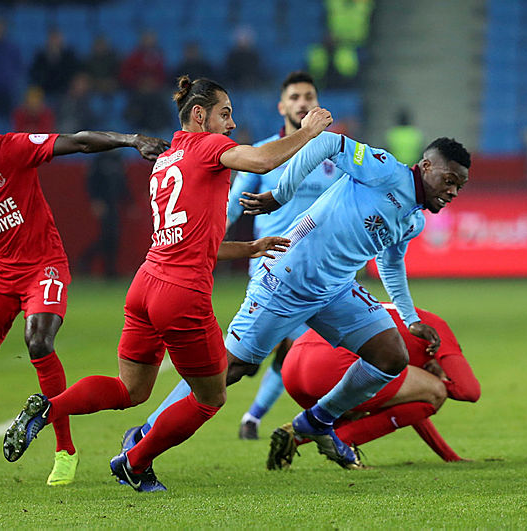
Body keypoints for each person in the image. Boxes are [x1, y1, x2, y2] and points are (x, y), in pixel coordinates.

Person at [1, 76, 333, 492]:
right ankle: (135, 462)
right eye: (225, 114)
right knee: (211, 397)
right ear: (200, 115)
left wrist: (250, 247)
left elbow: (191, 241)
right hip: (181, 294)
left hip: (145, 284)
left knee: (130, 389)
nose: (231, 124)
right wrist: (307, 132)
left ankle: (50, 408)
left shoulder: (167, 159)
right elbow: (263, 161)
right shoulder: (208, 146)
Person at [130, 132, 470, 470]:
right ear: (426, 166)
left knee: (390, 355)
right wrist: (282, 193)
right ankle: (142, 437)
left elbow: (391, 262)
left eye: (459, 186)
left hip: (335, 289)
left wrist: (410, 319)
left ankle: (317, 420)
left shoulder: (414, 220)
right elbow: (328, 143)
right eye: (449, 180)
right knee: (229, 369)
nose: (453, 192)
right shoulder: (385, 169)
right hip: (288, 277)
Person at [0, 98, 169, 489]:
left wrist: (131, 139)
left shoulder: (13, 148)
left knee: (38, 341)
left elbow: (78, 141)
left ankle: (65, 451)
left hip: (43, 264)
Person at [133, 71, 342, 441]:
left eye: (309, 96)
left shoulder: (331, 155)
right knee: (236, 364)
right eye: (295, 97)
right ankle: (146, 433)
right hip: (276, 272)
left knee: (343, 350)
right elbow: (228, 206)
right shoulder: (252, 151)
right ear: (282, 106)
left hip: (322, 274)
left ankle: (292, 424)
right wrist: (211, 244)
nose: (302, 103)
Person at [267, 303, 480, 469]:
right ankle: (342, 443)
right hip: (331, 365)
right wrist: (441, 383)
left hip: (293, 366)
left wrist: (449, 456)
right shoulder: (437, 328)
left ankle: (294, 435)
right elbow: (469, 391)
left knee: (360, 407)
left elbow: (412, 409)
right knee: (435, 391)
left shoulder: (400, 313)